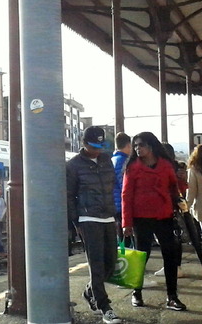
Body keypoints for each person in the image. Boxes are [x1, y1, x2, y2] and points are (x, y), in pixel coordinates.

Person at [121, 133, 187, 311]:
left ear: (151, 145)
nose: (137, 148)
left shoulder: (165, 165)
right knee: (141, 256)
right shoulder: (133, 167)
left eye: (141, 145)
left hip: (164, 215)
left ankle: (172, 297)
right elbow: (126, 195)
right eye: (135, 145)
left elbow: (175, 189)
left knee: (170, 255)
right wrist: (126, 222)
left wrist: (181, 181)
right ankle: (137, 292)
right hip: (141, 217)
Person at [66, 126, 121, 324]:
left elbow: (114, 185)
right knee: (96, 264)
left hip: (107, 216)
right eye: (93, 146)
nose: (98, 150)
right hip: (88, 219)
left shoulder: (106, 160)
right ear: (84, 143)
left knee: (110, 263)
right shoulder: (73, 166)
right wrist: (75, 221)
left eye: (100, 146)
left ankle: (91, 291)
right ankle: (104, 306)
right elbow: (69, 196)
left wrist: (117, 213)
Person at [154, 143, 185, 279]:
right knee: (175, 237)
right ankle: (176, 266)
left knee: (168, 240)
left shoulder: (164, 167)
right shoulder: (177, 167)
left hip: (165, 207)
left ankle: (173, 267)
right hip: (176, 206)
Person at [112, 131, 131, 246]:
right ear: (128, 145)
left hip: (114, 203)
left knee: (120, 235)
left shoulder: (113, 160)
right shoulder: (124, 161)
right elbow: (123, 184)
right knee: (126, 236)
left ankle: (122, 256)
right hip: (122, 204)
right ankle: (125, 259)